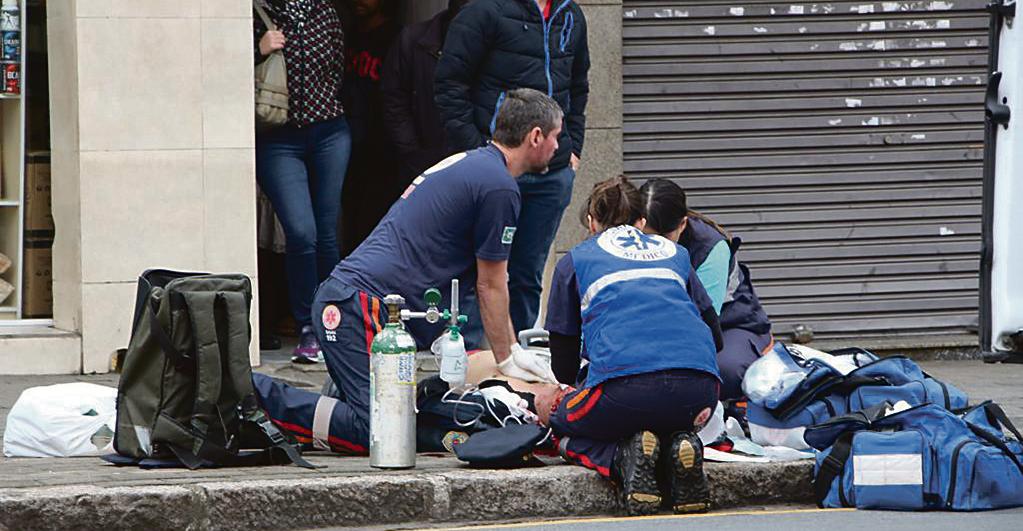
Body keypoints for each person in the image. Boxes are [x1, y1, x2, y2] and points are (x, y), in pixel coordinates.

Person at [253, 89, 564, 454]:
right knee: (381, 430)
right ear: (536, 136)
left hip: (357, 300)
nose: (560, 147)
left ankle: (294, 401)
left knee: (391, 417)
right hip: (359, 306)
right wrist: (509, 357)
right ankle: (252, 395)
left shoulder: (476, 164)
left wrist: (509, 351)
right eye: (557, 136)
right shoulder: (499, 187)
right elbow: (491, 285)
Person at [544, 176, 723, 516]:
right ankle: (676, 448)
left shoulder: (576, 260)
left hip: (624, 391)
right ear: (642, 221)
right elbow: (715, 337)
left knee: (558, 421)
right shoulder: (677, 253)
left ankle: (622, 456)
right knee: (659, 412)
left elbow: (563, 367)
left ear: (590, 222)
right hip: (700, 394)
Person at [435, 0, 590, 334]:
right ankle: (474, 358)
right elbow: (449, 85)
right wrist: (482, 153)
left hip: (551, 174)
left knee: (527, 274)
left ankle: (515, 359)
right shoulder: (484, 11)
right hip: (496, 169)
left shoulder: (571, 15)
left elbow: (578, 87)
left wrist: (572, 147)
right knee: (478, 269)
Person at [254, 0, 351, 363]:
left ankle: (333, 323)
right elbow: (222, 69)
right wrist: (257, 49)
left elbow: (338, 70)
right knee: (301, 231)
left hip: (330, 132)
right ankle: (307, 325)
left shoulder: (324, 10)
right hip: (278, 137)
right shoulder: (255, 13)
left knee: (326, 232)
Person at [638, 179, 774, 404]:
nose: (657, 246)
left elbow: (699, 325)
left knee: (717, 373)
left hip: (724, 326)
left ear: (682, 224)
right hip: (659, 325)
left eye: (665, 237)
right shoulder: (627, 239)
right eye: (650, 237)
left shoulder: (711, 247)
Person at [380, 0, 473, 181]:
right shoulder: (414, 40)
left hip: (474, 164)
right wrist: (413, 150)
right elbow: (394, 98)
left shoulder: (495, 45)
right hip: (422, 162)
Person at [339, 0, 403, 257]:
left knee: (374, 217)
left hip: (381, 143)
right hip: (349, 139)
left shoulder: (394, 38)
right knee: (350, 214)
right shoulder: (351, 34)